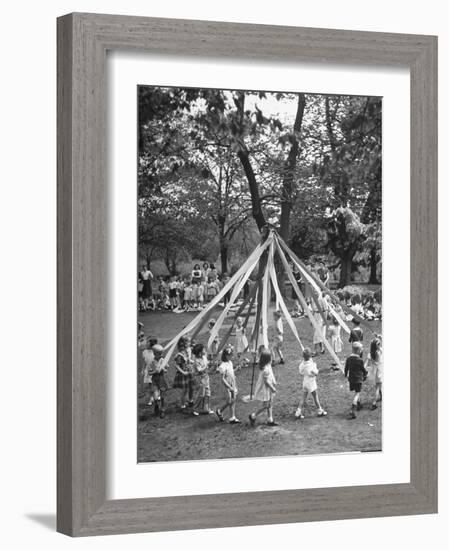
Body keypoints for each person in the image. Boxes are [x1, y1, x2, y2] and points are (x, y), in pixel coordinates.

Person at [295, 347, 327, 419]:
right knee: (315, 397)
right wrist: (314, 367)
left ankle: (298, 411)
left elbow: (301, 372)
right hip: (311, 383)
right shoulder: (312, 365)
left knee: (303, 398)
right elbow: (316, 373)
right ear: (310, 356)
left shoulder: (302, 364)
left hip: (305, 382)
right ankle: (320, 410)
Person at [249, 349, 278, 427]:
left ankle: (270, 419)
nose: (272, 358)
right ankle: (253, 416)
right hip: (265, 389)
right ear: (268, 359)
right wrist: (272, 388)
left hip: (268, 388)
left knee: (270, 403)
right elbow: (266, 382)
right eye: (270, 357)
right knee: (266, 405)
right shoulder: (265, 369)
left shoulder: (268, 365)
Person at [172, 336, 198, 415]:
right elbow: (176, 365)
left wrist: (192, 362)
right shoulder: (180, 354)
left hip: (189, 372)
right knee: (185, 390)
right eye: (188, 342)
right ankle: (183, 405)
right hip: (184, 374)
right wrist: (183, 372)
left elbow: (188, 360)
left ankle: (190, 401)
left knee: (191, 388)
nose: (190, 344)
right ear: (183, 343)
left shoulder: (186, 351)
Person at [215, 346, 240, 424]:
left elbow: (231, 372)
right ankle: (220, 411)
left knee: (233, 400)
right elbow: (222, 379)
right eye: (231, 355)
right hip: (227, 385)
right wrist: (229, 387)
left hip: (232, 383)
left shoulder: (230, 363)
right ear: (226, 356)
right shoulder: (223, 366)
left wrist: (236, 369)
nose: (232, 356)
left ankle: (232, 417)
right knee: (229, 401)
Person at [344, 341, 368, 419]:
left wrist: (345, 374)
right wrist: (365, 374)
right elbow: (363, 369)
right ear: (358, 351)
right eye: (360, 350)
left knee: (356, 391)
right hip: (358, 379)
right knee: (357, 393)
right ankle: (353, 408)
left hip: (351, 379)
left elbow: (346, 368)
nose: (361, 351)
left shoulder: (349, 358)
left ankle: (359, 404)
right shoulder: (360, 360)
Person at [192, 343, 213, 414]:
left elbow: (207, 364)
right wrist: (207, 365)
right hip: (200, 379)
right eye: (203, 349)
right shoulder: (196, 360)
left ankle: (207, 408)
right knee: (201, 395)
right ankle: (195, 409)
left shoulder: (204, 357)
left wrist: (210, 363)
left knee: (208, 394)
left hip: (206, 377)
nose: (205, 350)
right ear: (200, 352)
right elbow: (199, 370)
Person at [149, 344, 168, 418]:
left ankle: (162, 409)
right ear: (154, 353)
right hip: (155, 380)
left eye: (161, 353)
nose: (161, 355)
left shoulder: (163, 360)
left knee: (163, 396)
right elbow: (150, 373)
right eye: (159, 354)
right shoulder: (152, 362)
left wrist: (164, 369)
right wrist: (155, 371)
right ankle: (156, 405)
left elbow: (166, 369)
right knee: (156, 397)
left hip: (162, 379)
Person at [366, 336, 383, 409]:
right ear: (377, 346)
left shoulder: (371, 353)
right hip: (379, 371)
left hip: (375, 371)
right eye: (379, 344)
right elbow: (378, 362)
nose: (380, 344)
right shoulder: (378, 352)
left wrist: (378, 338)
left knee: (379, 386)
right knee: (377, 387)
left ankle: (382, 396)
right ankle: (374, 403)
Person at [141, 337, 158, 407]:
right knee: (150, 385)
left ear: (151, 344)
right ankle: (151, 398)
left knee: (155, 384)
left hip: (154, 371)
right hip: (148, 371)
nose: (146, 343)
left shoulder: (155, 352)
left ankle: (157, 395)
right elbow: (144, 362)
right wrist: (143, 369)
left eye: (147, 342)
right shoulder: (144, 352)